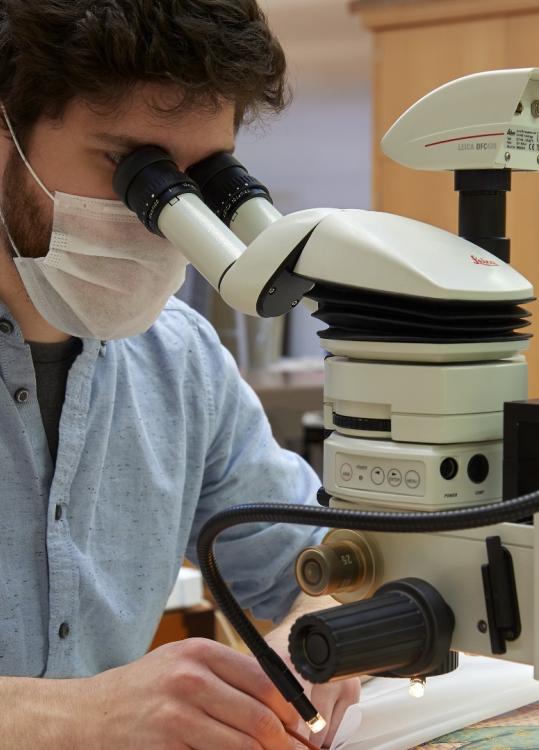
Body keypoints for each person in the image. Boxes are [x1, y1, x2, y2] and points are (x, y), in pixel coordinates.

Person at [0, 1, 360, 747]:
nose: (164, 217)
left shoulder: (182, 364)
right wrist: (72, 718)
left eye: (200, 179)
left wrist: (312, 648)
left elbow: (330, 570)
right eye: (129, 165)